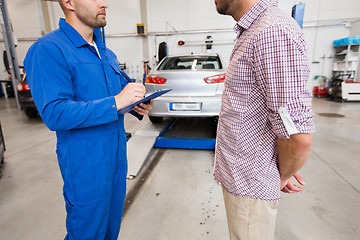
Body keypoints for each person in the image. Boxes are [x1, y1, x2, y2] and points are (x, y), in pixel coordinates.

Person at [24, 0, 153, 239]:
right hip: (85, 167)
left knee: (110, 231)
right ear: (69, 2)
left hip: (116, 160)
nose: (104, 3)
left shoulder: (105, 52)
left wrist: (138, 103)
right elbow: (55, 113)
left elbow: (121, 92)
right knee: (87, 233)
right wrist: (117, 102)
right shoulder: (49, 49)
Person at [213, 0, 315, 239]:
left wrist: (279, 175)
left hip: (252, 182)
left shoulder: (271, 31)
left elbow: (297, 137)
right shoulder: (253, 30)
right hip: (243, 177)